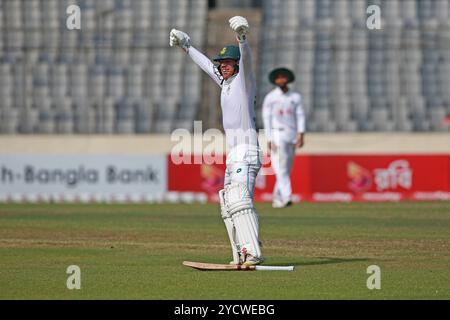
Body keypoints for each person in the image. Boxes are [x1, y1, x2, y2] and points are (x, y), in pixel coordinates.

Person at [169, 16, 264, 266]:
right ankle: (240, 254)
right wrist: (186, 45)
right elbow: (205, 65)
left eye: (228, 63)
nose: (223, 66)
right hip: (234, 154)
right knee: (228, 204)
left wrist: (242, 38)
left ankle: (253, 252)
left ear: (237, 65)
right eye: (221, 63)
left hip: (247, 150)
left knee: (241, 201)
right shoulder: (225, 83)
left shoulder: (245, 83)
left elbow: (250, 63)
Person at [262, 68, 306, 208]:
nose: (281, 80)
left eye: (283, 77)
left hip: (291, 135)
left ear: (288, 79)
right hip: (277, 134)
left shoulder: (295, 97)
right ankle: (287, 197)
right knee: (281, 168)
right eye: (278, 78)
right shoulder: (271, 97)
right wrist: (269, 138)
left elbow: (300, 116)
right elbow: (266, 118)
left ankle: (277, 198)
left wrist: (301, 134)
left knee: (286, 168)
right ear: (275, 80)